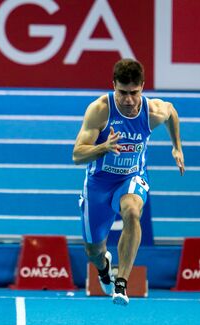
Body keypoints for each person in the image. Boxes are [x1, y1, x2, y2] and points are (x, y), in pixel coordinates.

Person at [73, 59, 185, 305]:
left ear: (142, 88)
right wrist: (104, 147)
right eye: (122, 92)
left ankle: (121, 281)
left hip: (132, 177)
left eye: (133, 93)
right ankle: (104, 269)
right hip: (98, 185)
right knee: (93, 251)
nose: (128, 99)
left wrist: (176, 147)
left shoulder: (152, 111)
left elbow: (172, 112)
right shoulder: (100, 109)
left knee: (132, 211)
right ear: (113, 86)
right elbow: (77, 155)